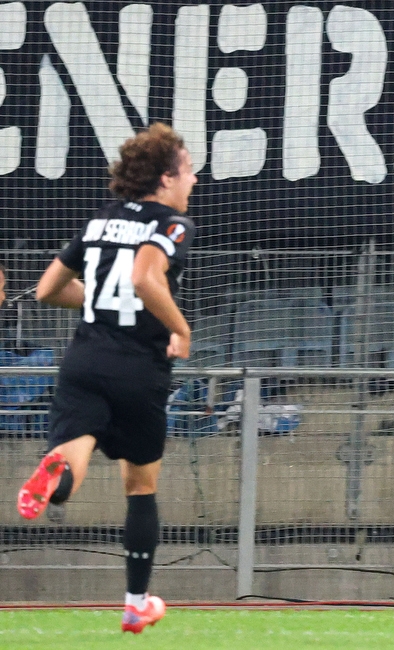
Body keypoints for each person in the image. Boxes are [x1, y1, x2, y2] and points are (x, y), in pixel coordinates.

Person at [16, 123, 197, 632]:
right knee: (140, 486)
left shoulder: (100, 221)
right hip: (138, 370)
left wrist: (96, 299)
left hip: (83, 363)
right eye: (188, 171)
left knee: (69, 465)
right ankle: (136, 603)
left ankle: (54, 474)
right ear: (165, 179)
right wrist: (180, 328)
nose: (195, 180)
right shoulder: (172, 222)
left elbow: (49, 289)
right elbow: (144, 276)